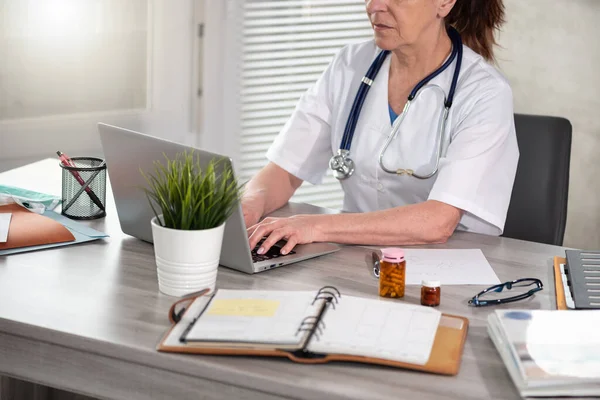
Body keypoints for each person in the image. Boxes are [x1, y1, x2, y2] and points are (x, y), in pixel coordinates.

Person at [243, 0, 518, 256]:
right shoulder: (350, 64)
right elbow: (284, 170)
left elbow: (438, 221)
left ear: (444, 2)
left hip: (444, 269)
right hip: (354, 259)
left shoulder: (485, 93)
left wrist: (313, 226)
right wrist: (248, 207)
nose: (374, 6)